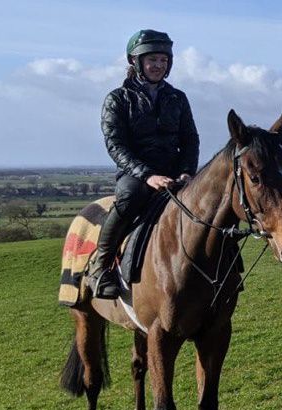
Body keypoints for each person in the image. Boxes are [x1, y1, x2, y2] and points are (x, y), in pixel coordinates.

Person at [90, 29, 200, 299]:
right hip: (136, 174)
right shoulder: (117, 99)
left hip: (176, 172)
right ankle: (101, 267)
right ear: (136, 62)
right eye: (152, 60)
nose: (158, 66)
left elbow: (190, 139)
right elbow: (116, 145)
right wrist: (147, 176)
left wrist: (187, 172)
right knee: (129, 199)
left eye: (163, 60)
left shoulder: (178, 98)